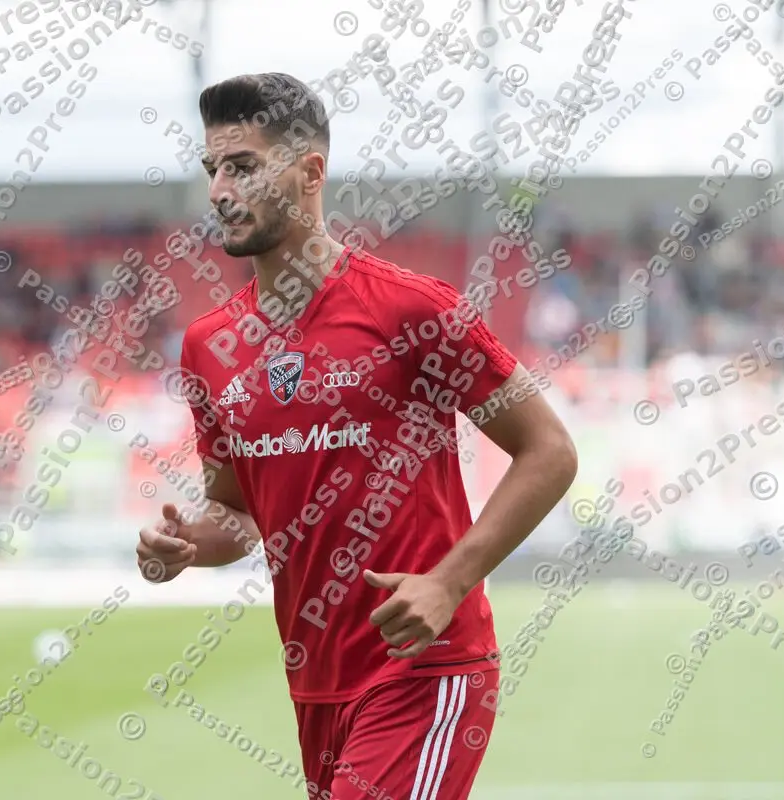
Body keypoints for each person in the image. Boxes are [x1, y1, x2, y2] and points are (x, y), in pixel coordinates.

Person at [136, 73, 579, 800]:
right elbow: (237, 514)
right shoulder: (208, 346)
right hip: (314, 685)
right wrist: (185, 546)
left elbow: (551, 451)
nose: (218, 188)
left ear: (311, 172)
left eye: (242, 165)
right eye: (211, 168)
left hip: (425, 667)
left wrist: (448, 581)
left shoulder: (412, 309)